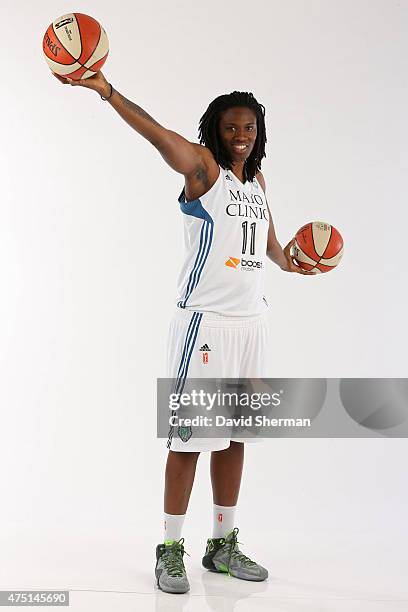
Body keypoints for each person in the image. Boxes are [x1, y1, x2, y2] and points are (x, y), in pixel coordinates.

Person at [52, 70, 310, 594]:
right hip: (206, 326)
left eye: (250, 128)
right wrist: (106, 90)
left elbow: (273, 253)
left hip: (252, 324)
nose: (242, 135)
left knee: (237, 438)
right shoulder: (203, 170)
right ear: (215, 130)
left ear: (259, 134)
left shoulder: (257, 184)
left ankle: (222, 545)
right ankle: (170, 548)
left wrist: (298, 261)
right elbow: (156, 135)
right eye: (232, 127)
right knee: (189, 442)